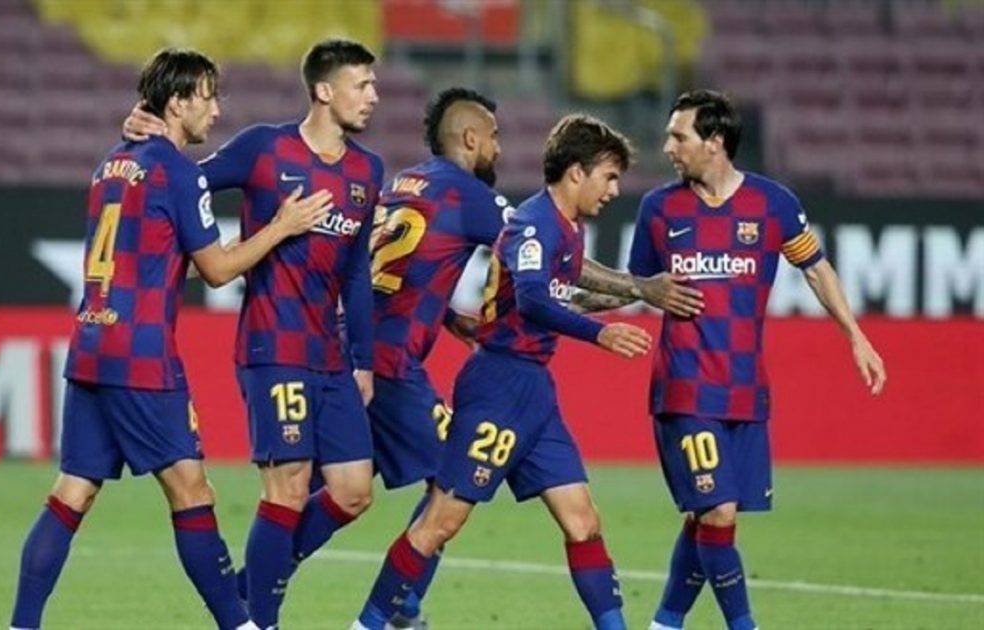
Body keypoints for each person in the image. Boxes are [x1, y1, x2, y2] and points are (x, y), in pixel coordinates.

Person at [9, 48, 331, 630]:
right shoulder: (178, 172)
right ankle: (240, 625)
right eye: (207, 96)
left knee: (72, 493)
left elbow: (150, 255)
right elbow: (218, 270)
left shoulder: (111, 164)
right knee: (192, 491)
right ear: (178, 102)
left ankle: (21, 625)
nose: (216, 109)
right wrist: (282, 227)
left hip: (91, 346)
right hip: (142, 356)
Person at [364, 87, 705, 629]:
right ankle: (371, 622)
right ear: (577, 173)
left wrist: (641, 291)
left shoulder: (567, 230)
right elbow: (534, 300)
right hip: (498, 385)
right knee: (439, 523)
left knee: (582, 520)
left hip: (534, 392)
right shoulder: (532, 223)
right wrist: (602, 333)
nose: (615, 190)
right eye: (608, 177)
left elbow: (562, 296)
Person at [124, 38, 383, 630]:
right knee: (287, 488)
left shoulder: (367, 171)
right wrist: (141, 139)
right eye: (362, 84)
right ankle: (261, 621)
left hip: (330, 354)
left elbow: (356, 273)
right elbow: (180, 182)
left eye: (373, 85)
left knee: (353, 491)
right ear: (324, 91)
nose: (373, 96)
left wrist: (363, 359)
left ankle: (248, 590)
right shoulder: (265, 149)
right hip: (272, 346)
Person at [629, 90, 887, 630]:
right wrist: (564, 293)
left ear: (715, 141)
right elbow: (633, 285)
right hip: (686, 387)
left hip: (746, 391)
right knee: (717, 511)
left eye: (679, 136)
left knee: (711, 519)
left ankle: (664, 624)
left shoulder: (773, 204)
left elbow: (815, 269)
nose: (668, 147)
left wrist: (855, 336)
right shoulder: (658, 208)